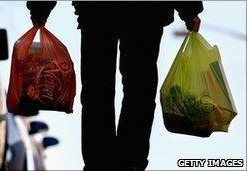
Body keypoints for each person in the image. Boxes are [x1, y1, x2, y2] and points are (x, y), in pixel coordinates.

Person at [26, 1, 203, 170]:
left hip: (98, 12)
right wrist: (189, 10)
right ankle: (131, 160)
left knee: (97, 90)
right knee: (139, 89)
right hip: (145, 12)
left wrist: (40, 8)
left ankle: (99, 161)